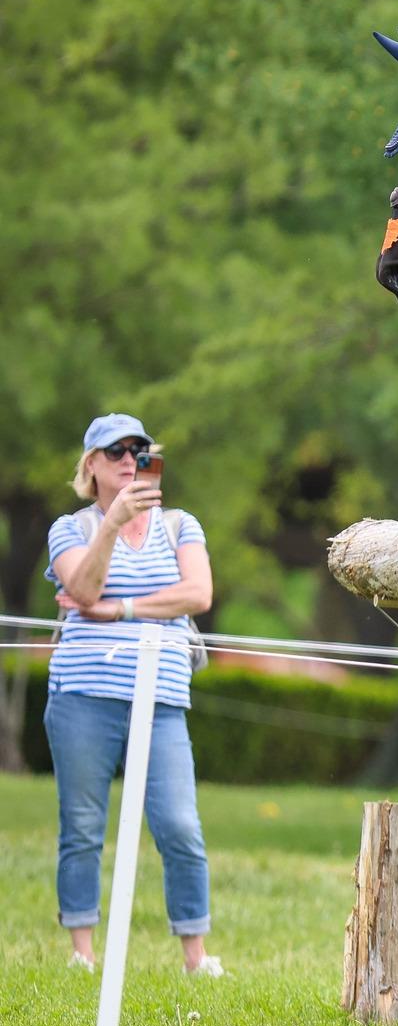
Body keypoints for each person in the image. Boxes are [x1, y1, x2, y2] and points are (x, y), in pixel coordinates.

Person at [44, 413, 222, 976]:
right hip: (83, 694)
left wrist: (120, 609)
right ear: (90, 465)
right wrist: (111, 527)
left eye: (139, 450)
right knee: (82, 825)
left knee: (179, 826)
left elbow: (198, 593)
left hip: (162, 698)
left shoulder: (179, 525)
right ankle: (82, 955)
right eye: (115, 451)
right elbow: (82, 586)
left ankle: (196, 957)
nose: (129, 459)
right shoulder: (69, 530)